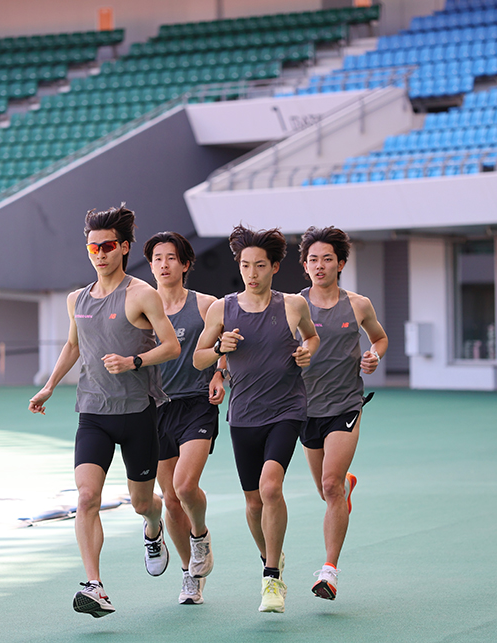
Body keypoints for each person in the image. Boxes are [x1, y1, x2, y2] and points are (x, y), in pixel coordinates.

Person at [28, 205, 181, 618]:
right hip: (92, 411)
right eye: (93, 246)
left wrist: (134, 362)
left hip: (137, 413)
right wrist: (49, 386)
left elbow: (171, 346)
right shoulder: (76, 298)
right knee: (86, 496)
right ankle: (95, 585)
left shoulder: (141, 294)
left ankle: (153, 528)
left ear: (125, 247)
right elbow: (74, 346)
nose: (99, 253)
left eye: (108, 246)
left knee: (142, 503)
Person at [193, 225, 320, 614]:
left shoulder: (293, 306)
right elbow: (198, 358)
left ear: (275, 267)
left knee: (269, 488)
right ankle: (272, 557)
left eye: (260, 265)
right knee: (252, 503)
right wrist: (218, 347)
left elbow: (312, 338)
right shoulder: (222, 308)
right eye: (246, 265)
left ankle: (271, 578)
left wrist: (306, 352)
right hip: (244, 415)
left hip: (287, 409)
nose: (252, 272)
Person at [298, 226, 388, 601]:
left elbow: (379, 338)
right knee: (326, 488)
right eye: (313, 259)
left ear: (341, 264)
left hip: (346, 404)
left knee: (330, 484)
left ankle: (329, 572)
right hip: (304, 408)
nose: (320, 266)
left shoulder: (358, 304)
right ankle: (346, 485)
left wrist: (373, 356)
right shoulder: (292, 305)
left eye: (327, 259)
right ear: (305, 266)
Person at [143, 231, 226, 605]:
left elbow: (223, 345)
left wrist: (220, 373)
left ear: (186, 263)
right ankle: (188, 574)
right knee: (170, 501)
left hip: (196, 403)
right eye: (157, 258)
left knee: (185, 487)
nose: (163, 264)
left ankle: (200, 536)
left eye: (171, 257)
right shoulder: (141, 307)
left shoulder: (207, 305)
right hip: (156, 408)